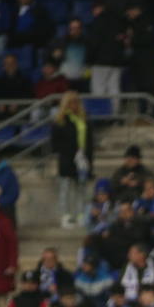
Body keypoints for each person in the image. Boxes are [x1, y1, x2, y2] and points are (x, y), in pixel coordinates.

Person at [50, 92, 93, 229]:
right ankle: (66, 216)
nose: (74, 105)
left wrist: (87, 158)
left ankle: (81, 215)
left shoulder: (85, 119)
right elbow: (55, 144)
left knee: (81, 189)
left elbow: (90, 142)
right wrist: (71, 152)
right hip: (67, 160)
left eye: (76, 102)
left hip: (82, 160)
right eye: (70, 102)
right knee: (66, 189)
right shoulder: (60, 121)